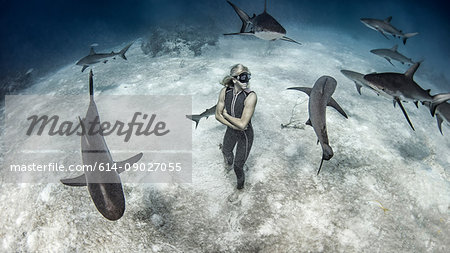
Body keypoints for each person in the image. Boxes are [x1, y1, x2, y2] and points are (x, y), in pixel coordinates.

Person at [215, 64, 257, 190]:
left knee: (238, 167)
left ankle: (240, 190)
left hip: (245, 134)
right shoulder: (225, 91)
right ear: (234, 79)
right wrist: (231, 125)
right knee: (226, 151)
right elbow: (217, 115)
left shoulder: (251, 96)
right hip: (232, 130)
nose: (246, 81)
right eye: (243, 77)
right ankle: (228, 168)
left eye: (248, 77)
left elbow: (243, 124)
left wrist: (226, 115)